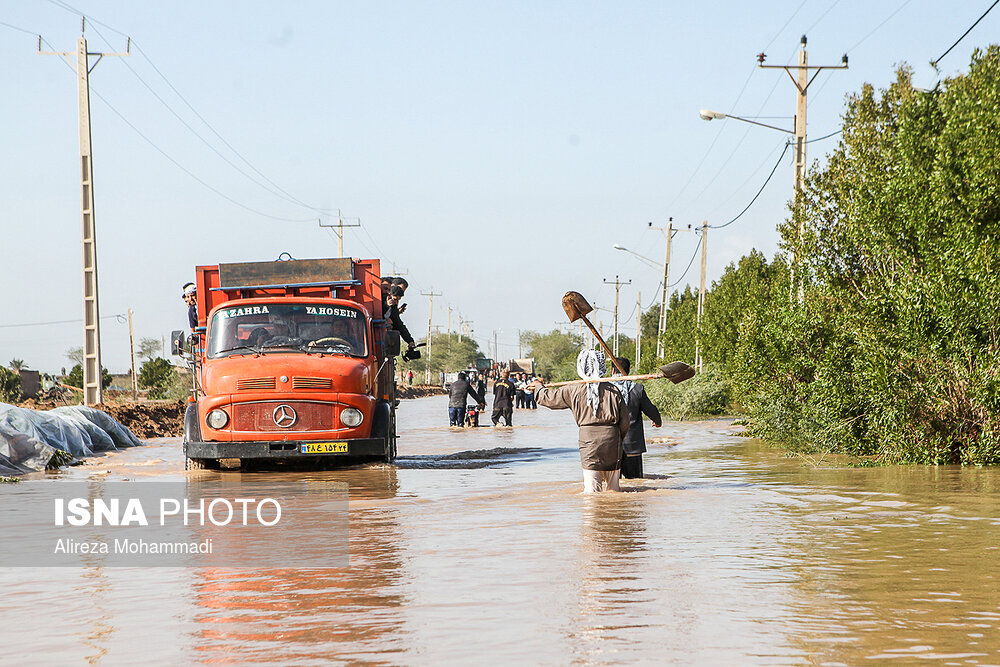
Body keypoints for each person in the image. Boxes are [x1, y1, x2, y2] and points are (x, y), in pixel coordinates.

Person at [530, 349, 629, 493]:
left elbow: (547, 398)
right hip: (613, 441)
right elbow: (625, 422)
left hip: (588, 443)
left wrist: (538, 386)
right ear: (601, 366)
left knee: (591, 492)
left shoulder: (573, 390)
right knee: (614, 490)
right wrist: (618, 438)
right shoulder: (613, 390)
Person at [610, 357, 661, 479]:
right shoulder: (637, 389)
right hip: (632, 446)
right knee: (635, 486)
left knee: (611, 487)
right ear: (628, 371)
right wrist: (657, 421)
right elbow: (651, 410)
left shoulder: (604, 389)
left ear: (612, 371)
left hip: (609, 445)